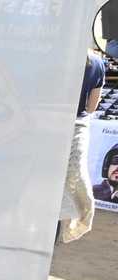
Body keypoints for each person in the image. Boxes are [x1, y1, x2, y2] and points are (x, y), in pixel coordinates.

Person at [62, 51, 105, 243]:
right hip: (75, 125)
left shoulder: (51, 53)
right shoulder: (97, 63)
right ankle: (82, 219)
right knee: (74, 176)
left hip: (44, 120)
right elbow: (91, 107)